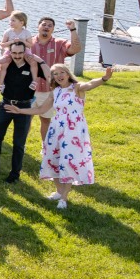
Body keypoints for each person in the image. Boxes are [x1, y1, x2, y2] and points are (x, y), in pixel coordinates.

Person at [41, 64, 113, 208]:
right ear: (53, 77)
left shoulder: (76, 88)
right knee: (52, 158)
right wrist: (18, 110)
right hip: (56, 128)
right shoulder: (55, 92)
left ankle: (64, 199)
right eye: (55, 73)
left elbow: (90, 84)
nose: (59, 76)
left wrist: (104, 78)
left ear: (68, 74)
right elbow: (40, 109)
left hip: (73, 129)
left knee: (69, 160)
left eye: (62, 72)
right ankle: (59, 192)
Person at [0, 37, 40, 181]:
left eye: (20, 53)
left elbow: (48, 74)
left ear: (24, 52)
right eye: (14, 53)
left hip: (23, 107)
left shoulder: (31, 64)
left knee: (18, 142)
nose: (17, 56)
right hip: (6, 105)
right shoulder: (6, 64)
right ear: (10, 52)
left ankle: (15, 174)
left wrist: (40, 60)